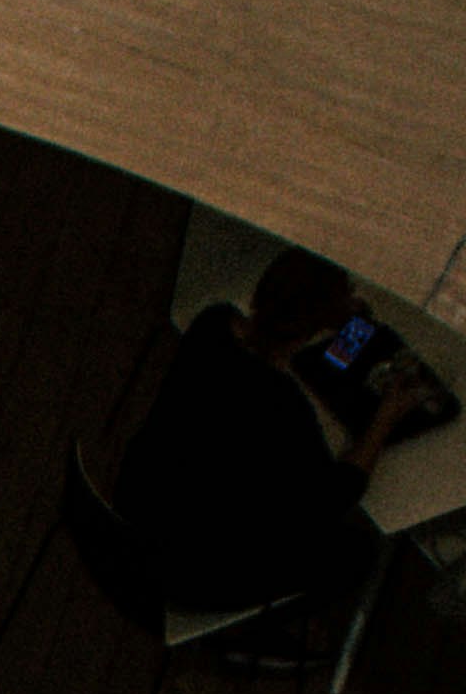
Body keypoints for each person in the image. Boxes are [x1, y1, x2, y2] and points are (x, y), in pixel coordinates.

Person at [107, 244, 434, 629]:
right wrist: (386, 416)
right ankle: (256, 630)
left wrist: (336, 325)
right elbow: (336, 494)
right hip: (191, 573)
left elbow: (284, 363)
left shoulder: (212, 323)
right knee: (354, 553)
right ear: (319, 323)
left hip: (140, 506)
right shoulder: (282, 406)